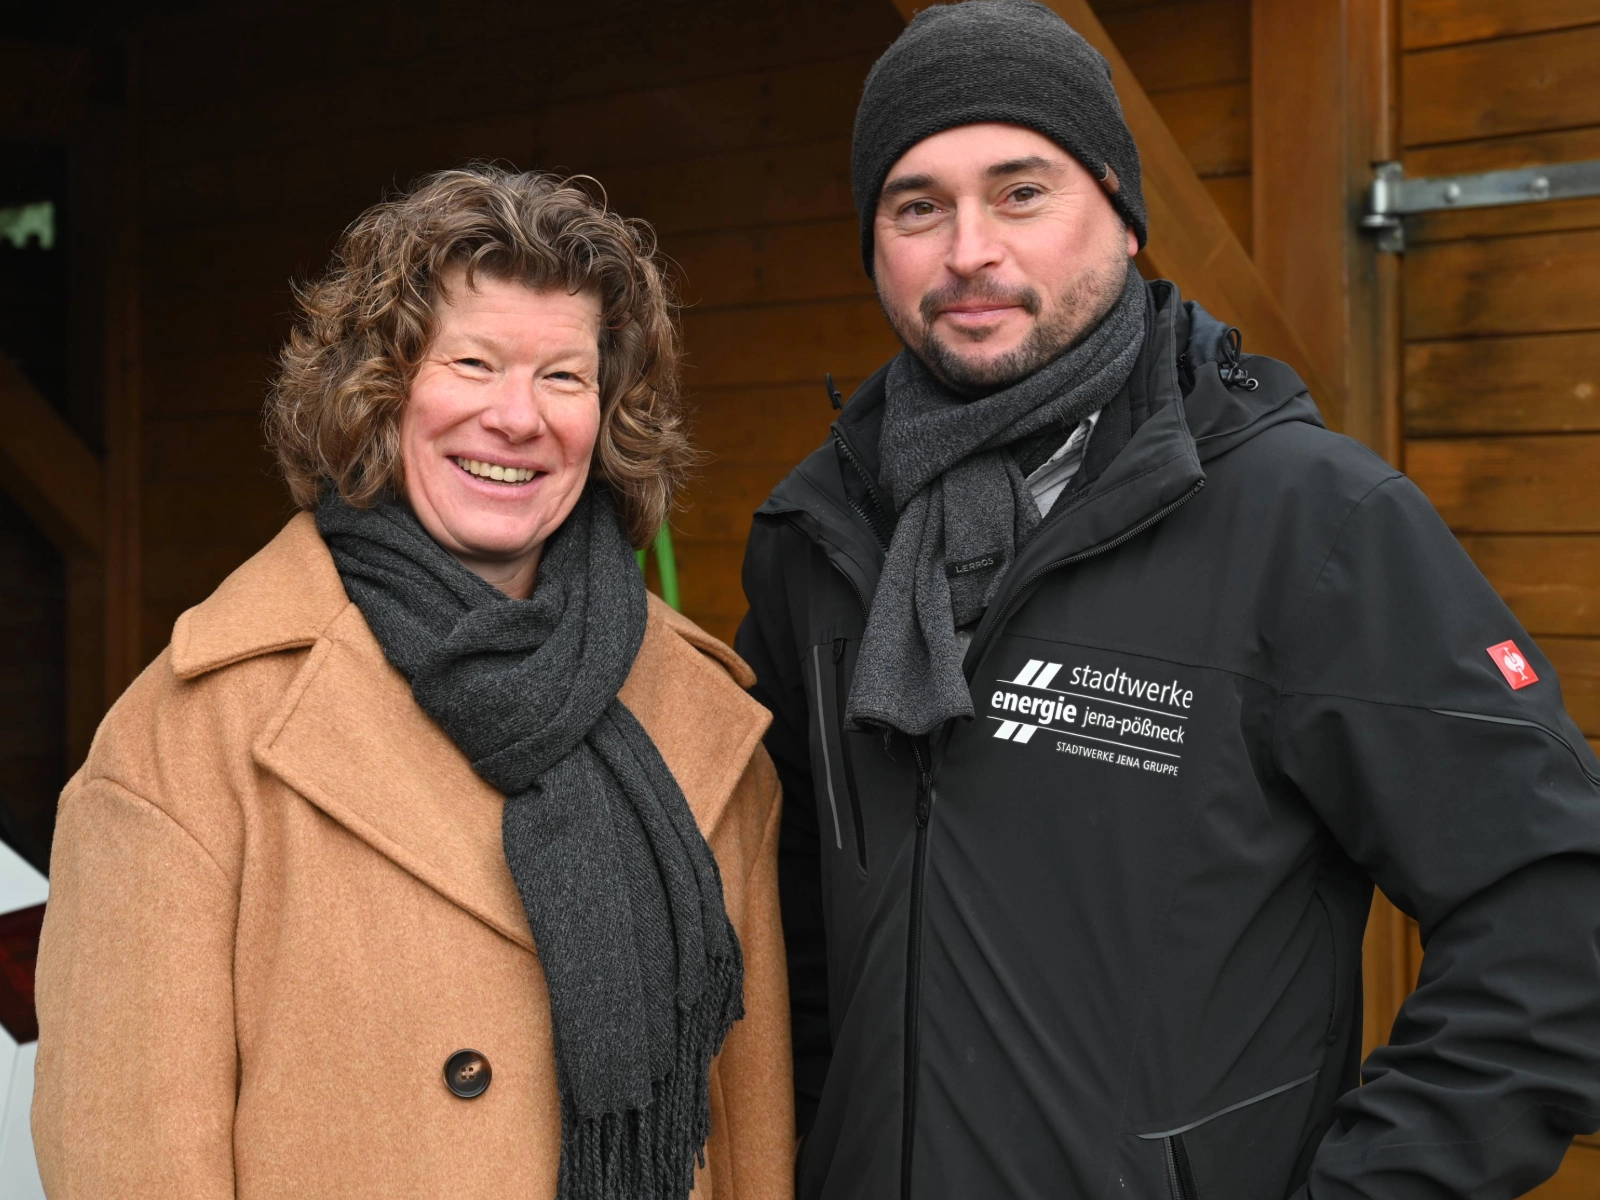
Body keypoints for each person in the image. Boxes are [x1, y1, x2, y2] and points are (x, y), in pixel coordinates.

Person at [735, 4, 1600, 1198]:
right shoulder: (817, 541)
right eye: (916, 204)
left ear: (1124, 216)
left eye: (1021, 191)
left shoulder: (1309, 522)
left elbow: (1555, 920)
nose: (968, 248)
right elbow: (794, 953)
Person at [34, 166, 793, 1200]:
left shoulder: (705, 725)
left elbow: (750, 1153)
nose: (517, 419)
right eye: (472, 363)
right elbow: (127, 1164)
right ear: (379, 393)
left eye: (563, 377)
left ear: (608, 415)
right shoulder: (187, 738)